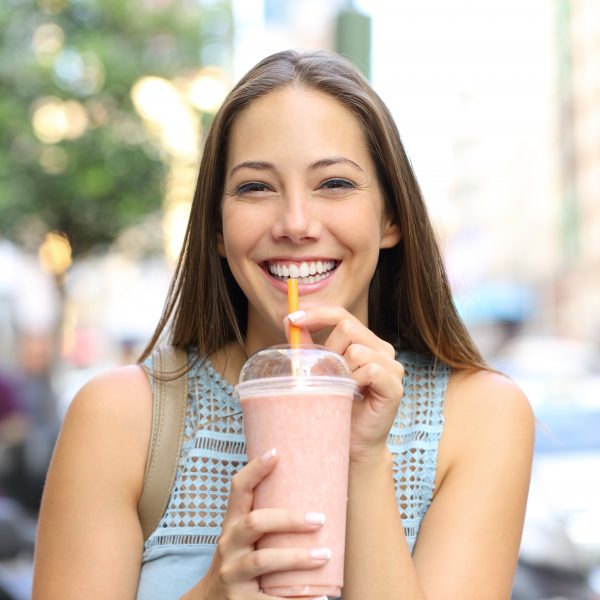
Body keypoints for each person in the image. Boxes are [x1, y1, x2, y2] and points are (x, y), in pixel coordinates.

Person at [32, 49, 534, 599]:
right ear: (218, 230)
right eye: (256, 188)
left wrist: (364, 460)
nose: (296, 224)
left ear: (391, 217)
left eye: (335, 184)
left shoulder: (480, 416)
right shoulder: (119, 419)